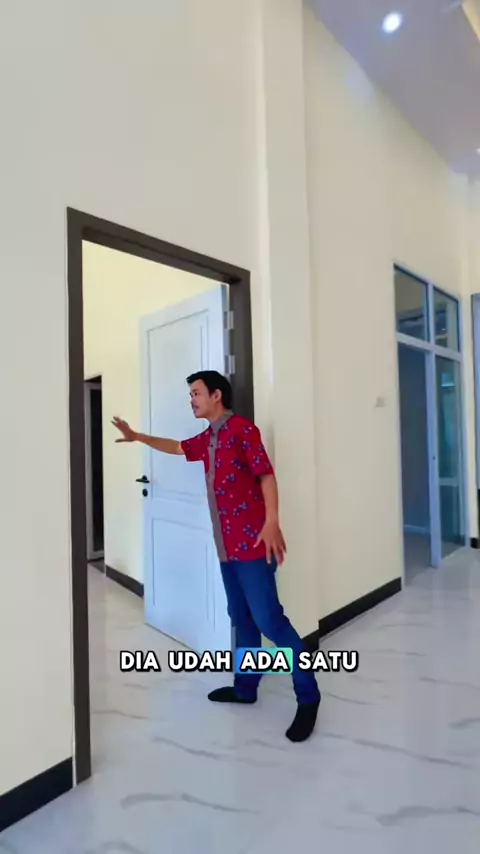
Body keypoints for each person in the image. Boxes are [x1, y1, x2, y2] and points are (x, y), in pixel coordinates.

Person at [112, 370, 321, 742]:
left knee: (270, 622)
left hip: (253, 544)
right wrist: (138, 436)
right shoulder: (208, 438)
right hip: (227, 548)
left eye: (196, 393)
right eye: (190, 394)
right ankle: (245, 688)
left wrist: (272, 521)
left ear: (216, 395)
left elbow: (266, 475)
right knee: (241, 618)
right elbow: (178, 447)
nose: (191, 400)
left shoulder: (243, 430)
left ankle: (308, 697)